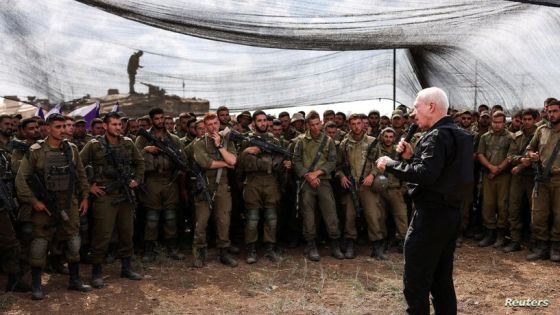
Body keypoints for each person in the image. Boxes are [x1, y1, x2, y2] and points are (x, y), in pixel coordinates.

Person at [377, 87, 473, 314]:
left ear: (431, 107)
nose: (413, 113)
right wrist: (412, 157)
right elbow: (440, 171)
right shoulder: (459, 135)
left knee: (416, 280)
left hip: (430, 217)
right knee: (441, 280)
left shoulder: (436, 136)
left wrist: (391, 164)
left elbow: (426, 175)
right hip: (450, 215)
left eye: (416, 107)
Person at [15, 114, 92, 300]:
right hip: (45, 206)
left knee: (74, 241)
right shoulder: (36, 151)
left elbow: (81, 175)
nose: (63, 130)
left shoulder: (72, 149)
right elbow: (21, 179)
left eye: (64, 126)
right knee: (40, 244)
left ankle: (74, 280)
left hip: (69, 203)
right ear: (48, 129)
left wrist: (85, 197)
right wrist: (34, 202)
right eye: (58, 127)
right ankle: (36, 285)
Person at [80, 112, 144, 288]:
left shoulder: (128, 143)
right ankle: (96, 272)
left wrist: (136, 180)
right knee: (102, 235)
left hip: (125, 195)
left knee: (126, 232)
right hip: (105, 196)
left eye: (119, 125)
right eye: (114, 124)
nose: (118, 127)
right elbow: (77, 165)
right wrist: (89, 187)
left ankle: (126, 267)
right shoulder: (94, 145)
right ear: (106, 126)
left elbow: (140, 163)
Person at [236, 110, 287, 263]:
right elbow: (238, 164)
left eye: (265, 120)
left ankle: (270, 249)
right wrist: (247, 151)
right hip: (252, 181)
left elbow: (280, 164)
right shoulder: (246, 140)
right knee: (252, 218)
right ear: (254, 122)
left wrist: (285, 166)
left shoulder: (275, 141)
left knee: (271, 217)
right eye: (259, 121)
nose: (263, 123)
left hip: (271, 180)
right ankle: (251, 250)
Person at [293, 111, 343, 261]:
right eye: (312, 124)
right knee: (308, 215)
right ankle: (311, 245)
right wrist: (308, 176)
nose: (315, 127)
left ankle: (335, 244)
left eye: (317, 124)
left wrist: (317, 173)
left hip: (324, 181)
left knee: (330, 214)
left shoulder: (328, 141)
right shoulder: (301, 141)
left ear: (321, 123)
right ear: (307, 125)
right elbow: (296, 161)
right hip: (307, 182)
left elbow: (332, 162)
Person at [191, 112, 238, 267]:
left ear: (219, 124)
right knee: (201, 222)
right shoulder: (199, 143)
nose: (213, 127)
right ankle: (199, 254)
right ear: (204, 126)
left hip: (222, 187)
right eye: (209, 124)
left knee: (224, 221)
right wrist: (225, 164)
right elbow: (206, 163)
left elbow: (233, 160)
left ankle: (223, 253)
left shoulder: (226, 141)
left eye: (215, 123)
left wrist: (219, 146)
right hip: (204, 186)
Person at [525, 100, 560, 261]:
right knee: (538, 215)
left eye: (555, 111)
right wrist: (531, 154)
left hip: (558, 180)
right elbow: (530, 148)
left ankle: (556, 247)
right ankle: (542, 247)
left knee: (559, 216)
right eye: (550, 111)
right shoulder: (541, 130)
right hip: (542, 180)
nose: (552, 114)